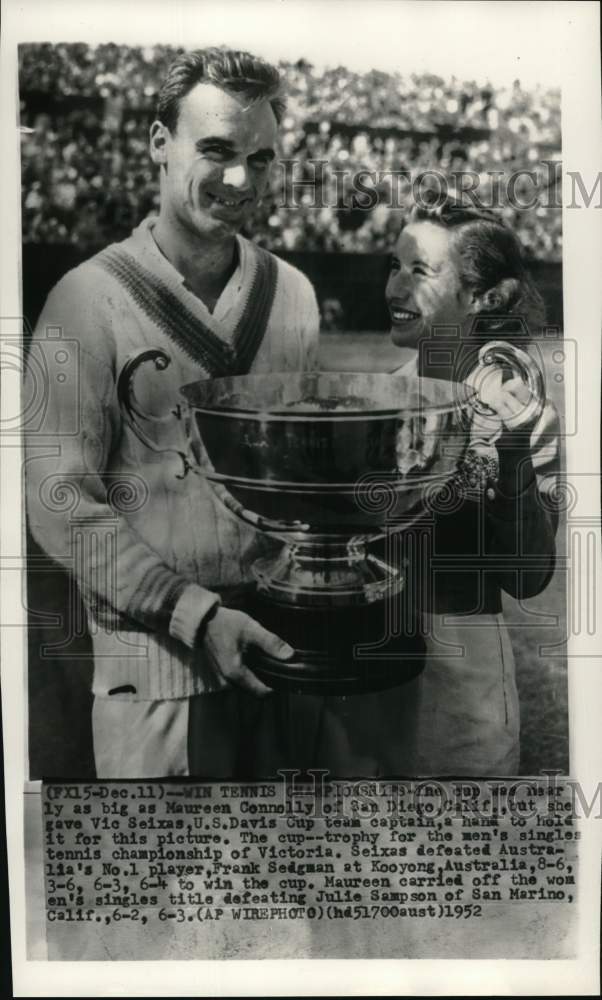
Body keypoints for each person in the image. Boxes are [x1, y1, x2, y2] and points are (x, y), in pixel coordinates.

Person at [26, 48, 324, 779]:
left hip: (277, 658)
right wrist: (195, 612)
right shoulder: (83, 299)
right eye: (216, 151)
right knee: (165, 893)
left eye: (261, 159)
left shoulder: (294, 295)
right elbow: (58, 500)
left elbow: (299, 481)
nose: (239, 180)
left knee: (282, 891)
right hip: (154, 677)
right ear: (160, 144)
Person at [384, 194, 560, 775]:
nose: (395, 288)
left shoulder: (519, 407)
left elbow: (527, 575)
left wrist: (512, 452)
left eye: (421, 272)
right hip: (366, 684)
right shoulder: (375, 399)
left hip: (462, 698)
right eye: (394, 266)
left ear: (484, 298)